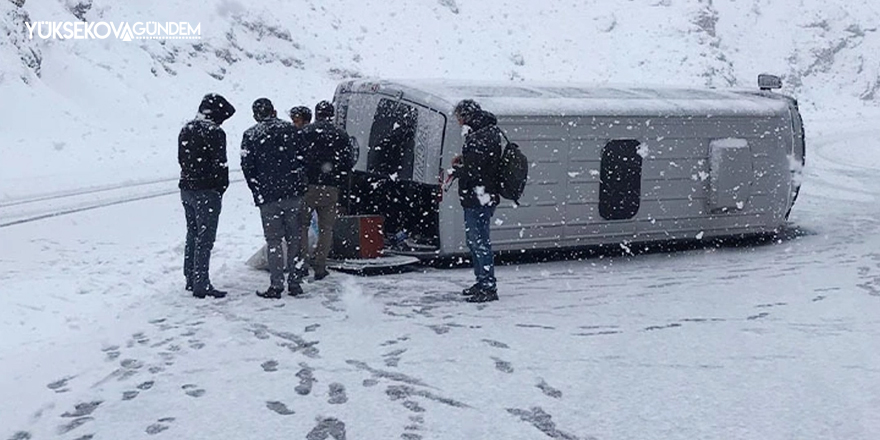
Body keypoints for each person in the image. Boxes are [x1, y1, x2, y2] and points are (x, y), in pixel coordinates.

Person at [241, 98, 308, 298]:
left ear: (255, 116)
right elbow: (304, 159)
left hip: (269, 197)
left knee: (273, 242)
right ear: (275, 111)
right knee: (294, 239)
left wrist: (258, 192)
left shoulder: (251, 135)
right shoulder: (292, 131)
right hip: (292, 194)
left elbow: (248, 168)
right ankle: (294, 282)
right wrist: (300, 185)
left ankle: (276, 284)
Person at [178, 93, 235, 299]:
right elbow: (221, 165)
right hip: (207, 191)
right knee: (205, 238)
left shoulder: (186, 129)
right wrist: (219, 188)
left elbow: (181, 159)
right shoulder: (215, 132)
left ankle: (190, 278)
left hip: (187, 189)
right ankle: (202, 282)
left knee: (192, 234)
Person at [451, 99, 502, 303]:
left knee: (479, 242)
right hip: (483, 195)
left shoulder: (479, 136)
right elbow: (482, 164)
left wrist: (457, 170)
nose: (458, 122)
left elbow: (475, 171)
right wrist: (464, 161)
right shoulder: (487, 132)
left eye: (458, 118)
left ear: (466, 116)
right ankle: (482, 281)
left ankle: (488, 286)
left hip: (479, 196)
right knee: (476, 241)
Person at [299, 100, 354, 280]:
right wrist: (343, 193)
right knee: (326, 229)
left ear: (316, 114)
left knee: (302, 226)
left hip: (307, 187)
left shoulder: (305, 132)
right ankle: (320, 265)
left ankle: (302, 262)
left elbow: (297, 159)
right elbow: (347, 165)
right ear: (331, 115)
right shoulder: (342, 135)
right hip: (331, 188)